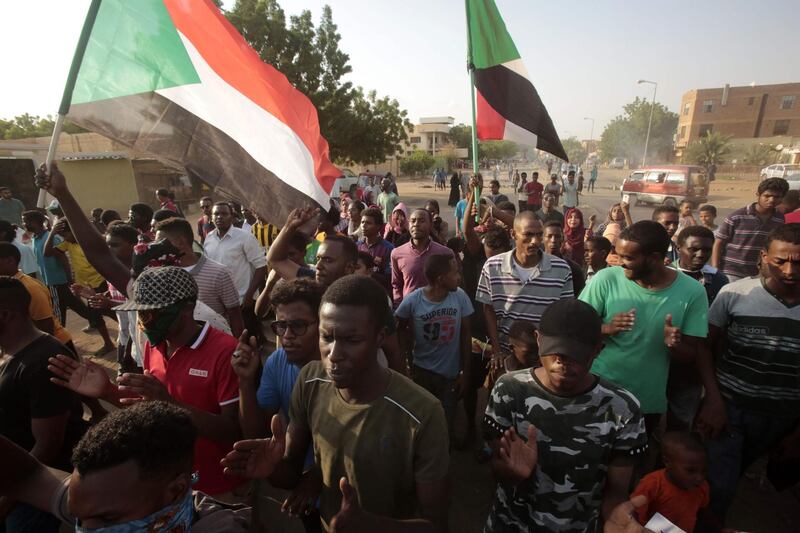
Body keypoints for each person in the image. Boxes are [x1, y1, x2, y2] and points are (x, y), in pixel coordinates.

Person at [221, 275, 450, 531]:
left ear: (379, 337)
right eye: (327, 338)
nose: (335, 354)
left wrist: (371, 525)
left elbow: (436, 525)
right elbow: (292, 473)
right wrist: (272, 467)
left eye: (352, 340)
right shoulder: (310, 381)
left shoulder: (423, 413)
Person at [47, 266, 243, 497]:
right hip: (171, 480)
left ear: (187, 307)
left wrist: (169, 403)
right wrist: (108, 392)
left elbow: (234, 431)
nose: (144, 322)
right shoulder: (153, 344)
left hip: (221, 484)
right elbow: (149, 410)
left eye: (153, 313)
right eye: (140, 312)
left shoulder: (226, 351)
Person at [482, 299, 648, 532]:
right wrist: (511, 473)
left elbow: (616, 492)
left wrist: (618, 520)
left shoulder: (623, 410)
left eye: (575, 355)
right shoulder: (509, 391)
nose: (562, 361)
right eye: (555, 350)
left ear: (597, 350)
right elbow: (497, 468)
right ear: (539, 340)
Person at [0, 401, 250, 532]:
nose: (90, 530)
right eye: (78, 519)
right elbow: (28, 475)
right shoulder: (105, 502)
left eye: (108, 519)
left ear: (177, 490)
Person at [701, 223, 800, 527]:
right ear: (764, 256)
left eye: (798, 261)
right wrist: (713, 401)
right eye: (780, 260)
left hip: (786, 416)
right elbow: (706, 348)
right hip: (732, 409)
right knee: (719, 486)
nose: (789, 269)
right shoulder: (735, 294)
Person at [579, 221, 709, 437]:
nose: (619, 263)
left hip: (645, 402)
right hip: (596, 393)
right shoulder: (605, 279)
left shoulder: (693, 292)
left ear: (655, 258)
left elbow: (691, 353)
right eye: (617, 255)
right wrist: (605, 328)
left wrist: (674, 345)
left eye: (628, 258)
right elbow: (574, 328)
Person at [232, 278, 324, 532]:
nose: (287, 337)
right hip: (296, 477)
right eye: (280, 326)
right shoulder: (277, 361)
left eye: (298, 326)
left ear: (323, 323)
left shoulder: (342, 368)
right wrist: (245, 381)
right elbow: (257, 434)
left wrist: (318, 475)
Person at [266, 207, 405, 373]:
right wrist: (290, 226)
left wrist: (401, 391)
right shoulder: (311, 282)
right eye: (318, 259)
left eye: (328, 260)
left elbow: (393, 352)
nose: (318, 266)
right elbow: (275, 259)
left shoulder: (371, 299)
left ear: (349, 267)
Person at [0, 275, 86, 532]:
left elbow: (48, 445)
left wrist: (8, 500)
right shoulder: (14, 353)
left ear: (5, 315)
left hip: (34, 491)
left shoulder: (42, 361)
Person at [477, 211, 574, 358]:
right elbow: (488, 309)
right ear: (513, 234)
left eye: (539, 235)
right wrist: (497, 351)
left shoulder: (561, 269)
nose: (535, 241)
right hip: (506, 354)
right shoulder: (492, 266)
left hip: (544, 356)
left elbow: (563, 314)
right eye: (528, 234)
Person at [396, 254, 473, 437]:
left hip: (450, 375)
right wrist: (404, 356)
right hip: (422, 372)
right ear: (441, 279)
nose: (459, 277)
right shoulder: (414, 300)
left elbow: (466, 334)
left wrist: (466, 372)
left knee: (445, 421)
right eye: (455, 273)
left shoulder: (459, 297)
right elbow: (397, 326)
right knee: (422, 420)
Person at [155, 217, 245, 337]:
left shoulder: (219, 273)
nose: (155, 247)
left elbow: (235, 316)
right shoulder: (160, 275)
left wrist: (236, 350)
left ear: (180, 242)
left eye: (160, 242)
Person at [45, 218, 117, 354]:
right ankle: (108, 343)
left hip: (101, 281)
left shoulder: (90, 241)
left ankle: (128, 332)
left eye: (65, 234)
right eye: (61, 235)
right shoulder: (67, 244)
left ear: (73, 231)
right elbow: (47, 253)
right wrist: (52, 233)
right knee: (96, 316)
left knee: (111, 310)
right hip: (86, 286)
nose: (63, 237)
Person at [203, 203, 268, 334]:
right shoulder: (209, 238)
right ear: (211, 217)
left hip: (242, 301)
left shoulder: (245, 237)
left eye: (224, 214)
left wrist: (250, 295)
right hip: (219, 303)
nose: (219, 217)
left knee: (250, 340)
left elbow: (261, 267)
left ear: (232, 217)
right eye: (216, 214)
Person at [0, 243, 74, 353]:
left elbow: (46, 323)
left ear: (10, 261)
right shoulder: (8, 286)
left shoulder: (29, 287)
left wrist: (43, 354)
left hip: (55, 346)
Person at [712, 177, 788, 282]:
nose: (771, 200)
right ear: (758, 195)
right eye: (767, 196)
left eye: (776, 197)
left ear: (782, 198)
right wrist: (715, 268)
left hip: (757, 273)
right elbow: (719, 243)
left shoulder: (779, 220)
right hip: (731, 271)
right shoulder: (737, 217)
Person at [631, 432, 709, 532]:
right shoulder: (653, 484)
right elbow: (634, 514)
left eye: (703, 471)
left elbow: (702, 513)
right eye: (691, 471)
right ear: (667, 462)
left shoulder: (701, 487)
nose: (699, 477)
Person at [22, 210, 77, 326]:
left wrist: (69, 278)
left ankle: (60, 335)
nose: (23, 224)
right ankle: (95, 320)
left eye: (25, 221)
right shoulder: (35, 239)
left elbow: (63, 259)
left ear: (35, 222)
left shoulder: (50, 238)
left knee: (57, 312)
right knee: (77, 306)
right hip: (51, 281)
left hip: (56, 281)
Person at [390, 208, 454, 306]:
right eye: (413, 221)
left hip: (439, 310)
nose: (416, 224)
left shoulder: (445, 253)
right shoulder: (397, 253)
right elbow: (396, 284)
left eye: (422, 221)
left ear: (431, 225)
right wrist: (399, 306)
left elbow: (453, 282)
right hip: (410, 310)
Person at [543, 220, 586, 296]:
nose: (553, 240)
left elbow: (579, 297)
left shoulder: (573, 269)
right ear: (542, 239)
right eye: (549, 236)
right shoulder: (533, 264)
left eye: (557, 236)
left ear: (562, 239)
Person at [357, 207, 394, 288]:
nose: (363, 226)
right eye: (362, 222)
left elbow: (389, 277)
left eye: (368, 223)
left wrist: (369, 273)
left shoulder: (389, 248)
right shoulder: (356, 246)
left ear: (378, 226)